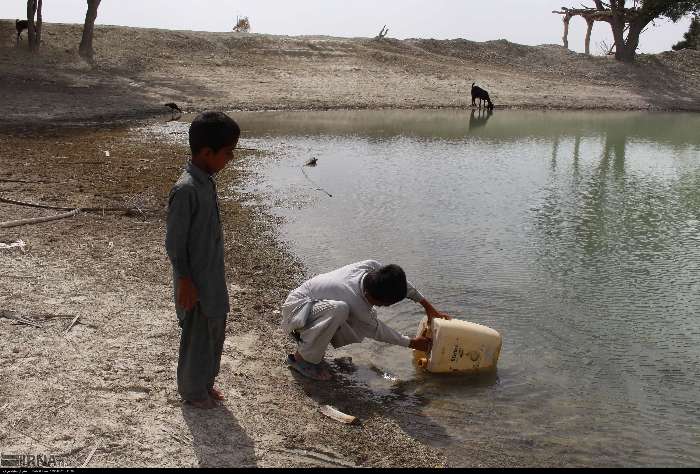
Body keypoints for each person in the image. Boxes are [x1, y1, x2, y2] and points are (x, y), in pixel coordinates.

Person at [165, 111, 239, 409]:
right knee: (196, 335)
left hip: (212, 276)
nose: (230, 159)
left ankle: (206, 384)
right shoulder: (185, 190)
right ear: (206, 152)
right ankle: (192, 391)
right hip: (194, 280)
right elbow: (174, 243)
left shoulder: (206, 181)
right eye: (227, 153)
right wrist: (184, 280)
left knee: (214, 330)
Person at [281, 260, 451, 380]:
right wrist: (413, 343)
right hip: (296, 313)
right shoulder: (355, 301)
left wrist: (428, 307)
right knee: (340, 311)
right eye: (386, 304)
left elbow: (399, 284)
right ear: (371, 296)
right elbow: (378, 330)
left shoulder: (372, 267)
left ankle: (311, 347)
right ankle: (301, 360)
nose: (387, 307)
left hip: (312, 307)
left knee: (344, 314)